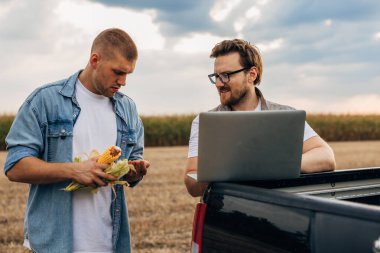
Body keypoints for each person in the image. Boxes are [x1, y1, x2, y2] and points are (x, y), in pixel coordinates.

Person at [4, 28, 150, 253]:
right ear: (95, 60)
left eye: (128, 73)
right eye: (118, 72)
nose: (123, 81)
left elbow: (134, 159)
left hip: (110, 244)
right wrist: (74, 171)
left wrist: (132, 171)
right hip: (54, 244)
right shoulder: (45, 101)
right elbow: (15, 166)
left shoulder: (128, 109)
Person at [184, 39, 336, 197]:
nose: (218, 84)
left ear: (251, 74)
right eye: (216, 76)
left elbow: (326, 157)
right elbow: (191, 184)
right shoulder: (205, 123)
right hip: (226, 211)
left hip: (279, 209)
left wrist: (277, 165)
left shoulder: (284, 115)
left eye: (226, 75)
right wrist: (222, 170)